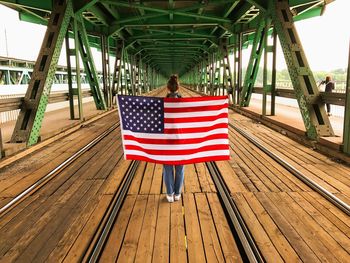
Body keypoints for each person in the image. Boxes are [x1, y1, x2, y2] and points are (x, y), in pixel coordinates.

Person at [163, 75, 185, 203]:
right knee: (180, 168)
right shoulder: (184, 103)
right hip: (180, 140)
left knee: (167, 168)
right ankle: (177, 194)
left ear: (167, 88)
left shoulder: (162, 104)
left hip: (166, 141)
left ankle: (169, 194)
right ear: (178, 87)